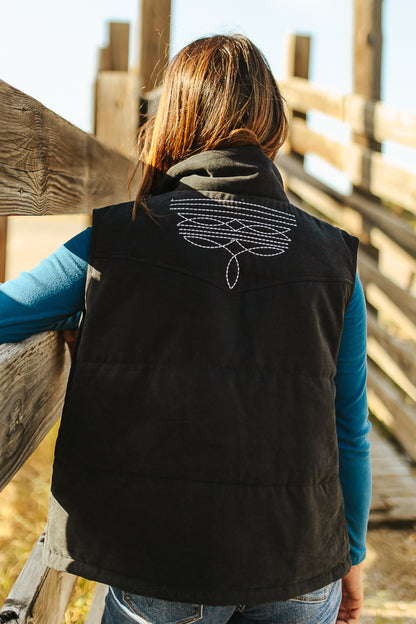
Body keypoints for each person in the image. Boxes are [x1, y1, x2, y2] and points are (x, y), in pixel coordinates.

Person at [0, 34, 371, 624]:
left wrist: (97, 319)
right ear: (274, 128)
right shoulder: (334, 260)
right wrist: (350, 555)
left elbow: (7, 312)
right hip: (297, 560)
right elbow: (349, 426)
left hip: (160, 559)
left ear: (171, 122)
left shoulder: (117, 239)